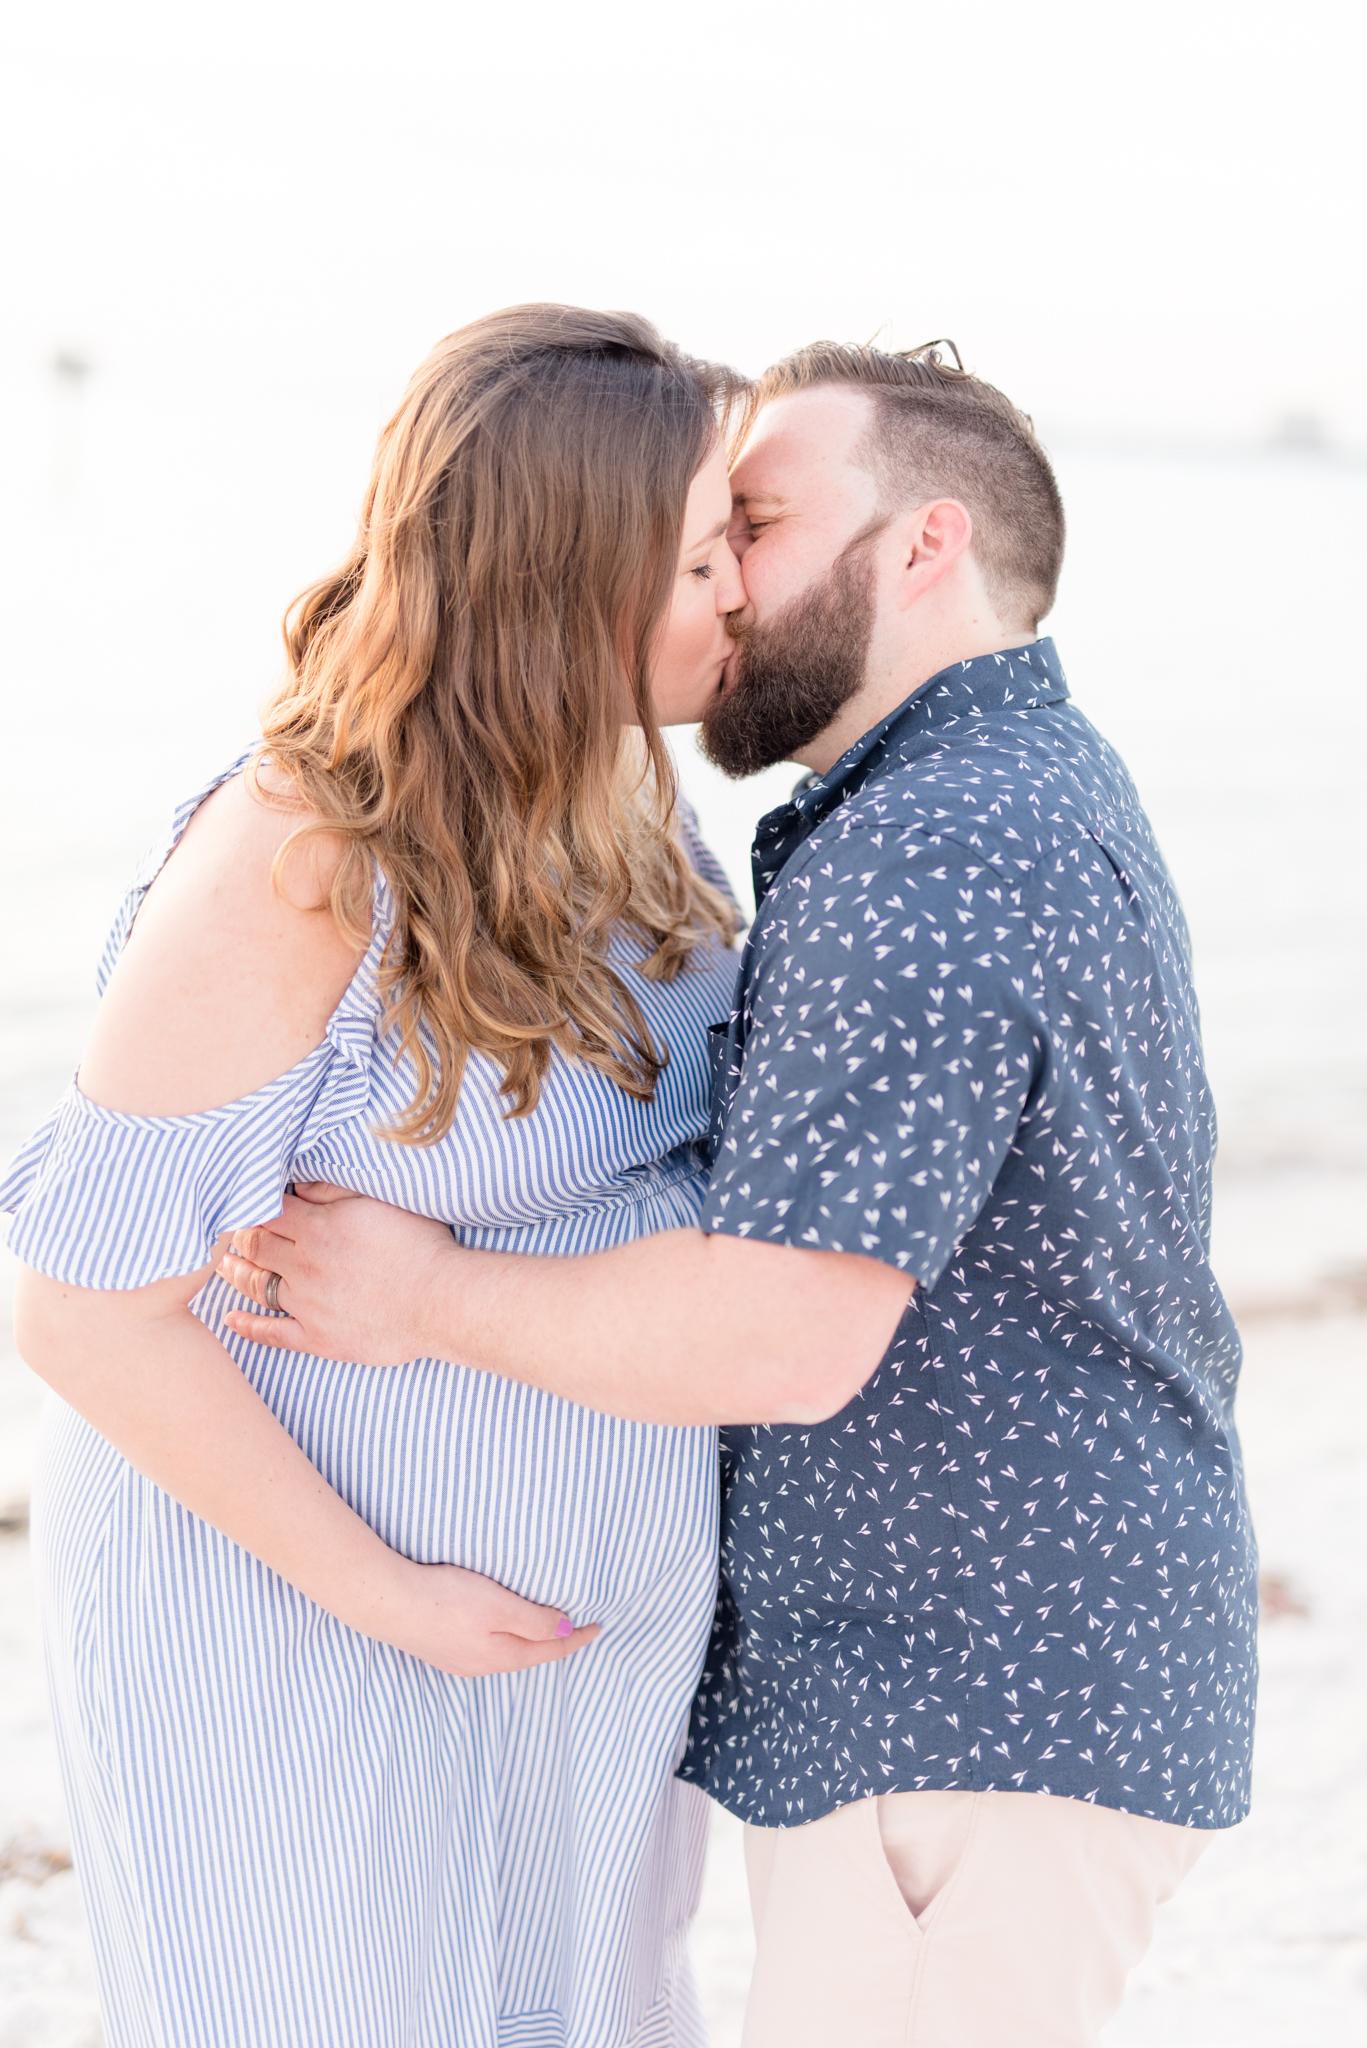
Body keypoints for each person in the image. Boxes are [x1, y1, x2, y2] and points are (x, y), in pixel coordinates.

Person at [220, 340, 1259, 2048]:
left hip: (973, 1705)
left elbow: (787, 1336)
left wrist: (415, 1297)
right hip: (996, 1687)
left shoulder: (939, 850)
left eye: (753, 525)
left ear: (923, 548)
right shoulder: (992, 796)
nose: (709, 580)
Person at [1, 304, 790, 2048]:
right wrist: (388, 1593)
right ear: (563, 580)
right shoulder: (302, 857)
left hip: (574, 1648)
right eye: (701, 552)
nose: (741, 586)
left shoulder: (630, 803)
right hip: (305, 1620)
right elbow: (82, 1312)